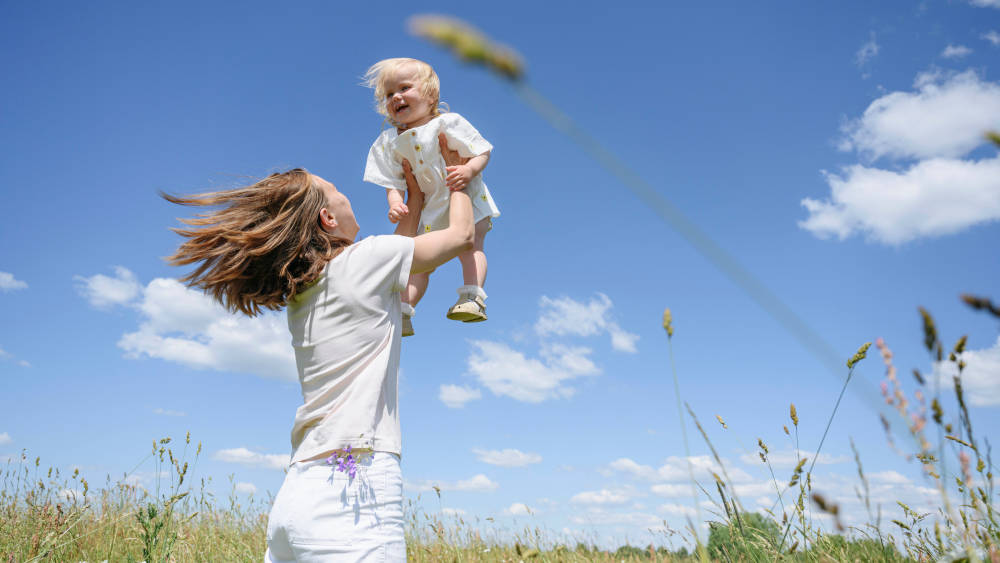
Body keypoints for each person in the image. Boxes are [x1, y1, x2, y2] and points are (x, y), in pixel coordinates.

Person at [163, 135, 473, 562]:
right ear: (327, 218)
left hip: (298, 493)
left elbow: (397, 269)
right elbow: (461, 236)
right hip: (353, 491)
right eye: (337, 190)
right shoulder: (367, 260)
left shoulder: (306, 292)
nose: (346, 194)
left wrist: (416, 200)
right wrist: (460, 179)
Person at [362, 57, 499, 336]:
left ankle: (473, 297)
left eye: (404, 88)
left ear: (430, 94)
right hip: (430, 209)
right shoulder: (389, 142)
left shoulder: (448, 123)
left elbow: (482, 150)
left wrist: (469, 170)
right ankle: (403, 311)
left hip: (468, 199)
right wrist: (395, 202)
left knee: (471, 247)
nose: (396, 97)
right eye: (389, 94)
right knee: (417, 265)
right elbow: (392, 180)